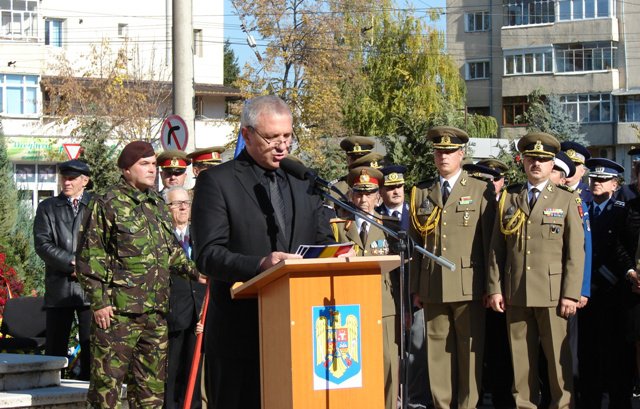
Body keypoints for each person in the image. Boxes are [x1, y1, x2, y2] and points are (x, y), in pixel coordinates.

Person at [190, 95, 336, 409]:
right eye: (271, 138)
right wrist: (261, 264)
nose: (281, 146)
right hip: (239, 336)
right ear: (247, 135)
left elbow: (322, 241)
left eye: (287, 137)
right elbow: (207, 255)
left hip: (301, 332)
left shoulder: (303, 181)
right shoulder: (217, 182)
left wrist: (337, 258)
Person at [76, 141, 197, 408]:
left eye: (154, 164)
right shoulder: (107, 203)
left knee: (151, 390)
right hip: (118, 314)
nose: (152, 169)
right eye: (144, 164)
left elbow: (171, 251)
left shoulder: (156, 204)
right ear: (126, 169)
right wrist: (99, 302)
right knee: (106, 388)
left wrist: (197, 273)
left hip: (156, 313)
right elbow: (89, 257)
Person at [487, 132, 585, 409]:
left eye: (543, 159)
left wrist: (570, 294)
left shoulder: (566, 200)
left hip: (554, 296)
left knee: (558, 365)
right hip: (516, 293)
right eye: (532, 158)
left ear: (552, 163)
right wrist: (494, 287)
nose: (536, 164)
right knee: (522, 366)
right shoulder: (509, 197)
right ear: (523, 161)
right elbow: (497, 247)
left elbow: (575, 253)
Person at [409, 126, 495, 408]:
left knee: (469, 352)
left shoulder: (481, 189)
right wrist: (415, 288)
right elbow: (414, 246)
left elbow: (489, 244)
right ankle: (442, 404)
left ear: (461, 154)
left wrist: (490, 286)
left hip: (468, 284)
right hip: (432, 285)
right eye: (438, 152)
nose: (443, 157)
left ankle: (468, 405)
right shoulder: (421, 192)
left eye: (449, 152)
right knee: (437, 353)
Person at [334, 166, 397, 409]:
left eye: (369, 194)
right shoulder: (338, 227)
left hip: (383, 305)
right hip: (349, 307)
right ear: (351, 196)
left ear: (378, 196)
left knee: (388, 362)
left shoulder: (390, 227)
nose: (363, 200)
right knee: (352, 365)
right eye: (359, 194)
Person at [577, 158, 634, 409]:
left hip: (615, 293)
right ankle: (589, 400)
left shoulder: (623, 211)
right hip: (587, 294)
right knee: (589, 354)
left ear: (615, 184)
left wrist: (609, 276)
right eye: (593, 179)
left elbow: (625, 248)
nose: (596, 184)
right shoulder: (582, 209)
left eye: (602, 180)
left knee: (616, 355)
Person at [34, 159, 93, 381]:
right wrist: (72, 263)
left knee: (91, 347)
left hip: (91, 286)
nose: (66, 182)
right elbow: (42, 244)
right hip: (59, 287)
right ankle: (50, 395)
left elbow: (106, 242)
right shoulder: (47, 207)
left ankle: (89, 395)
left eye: (72, 178)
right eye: (64, 178)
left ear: (84, 181)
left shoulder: (96, 205)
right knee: (55, 349)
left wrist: (87, 266)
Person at [163, 186, 207, 409]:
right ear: (166, 208)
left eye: (186, 203)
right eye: (176, 203)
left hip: (199, 312)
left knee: (194, 373)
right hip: (172, 312)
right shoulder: (161, 235)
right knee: (172, 374)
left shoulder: (201, 234)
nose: (182, 207)